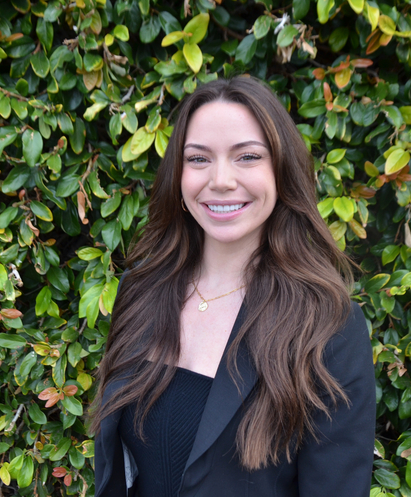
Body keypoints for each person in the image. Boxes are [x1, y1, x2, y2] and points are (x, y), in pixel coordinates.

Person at [87, 76, 375, 497]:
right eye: (199, 159)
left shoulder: (329, 325)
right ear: (178, 176)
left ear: (281, 170)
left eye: (247, 157)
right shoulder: (141, 290)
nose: (220, 180)